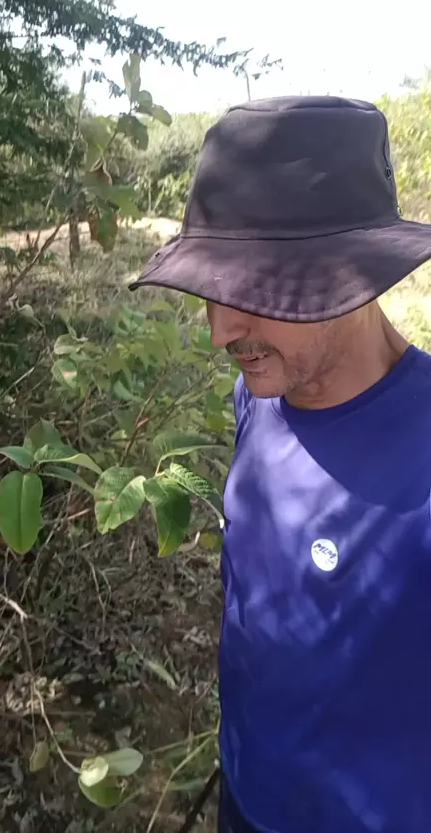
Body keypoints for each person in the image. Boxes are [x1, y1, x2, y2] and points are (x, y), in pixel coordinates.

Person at [130, 96, 431, 832]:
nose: (219, 331)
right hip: (245, 792)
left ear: (355, 275)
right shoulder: (258, 396)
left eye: (257, 292)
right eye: (211, 290)